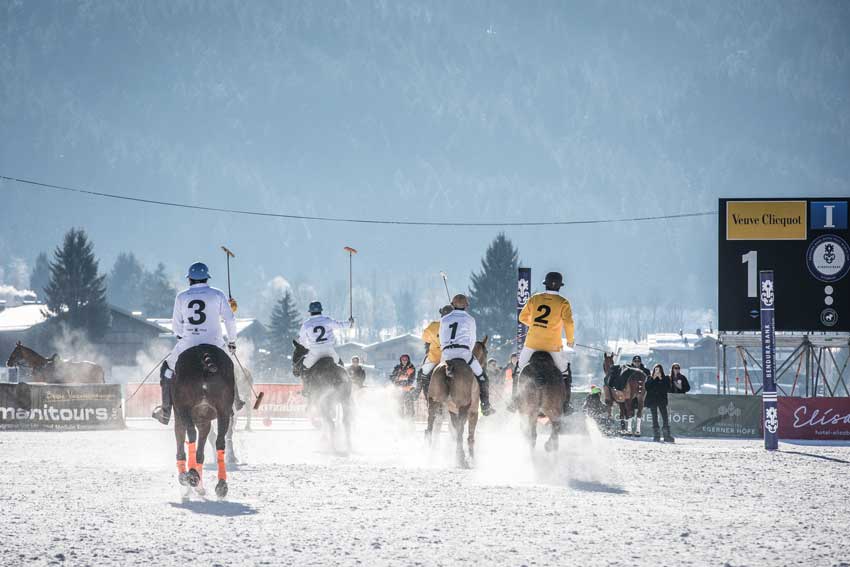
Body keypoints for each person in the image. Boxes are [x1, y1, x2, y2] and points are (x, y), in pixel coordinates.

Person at [153, 261, 239, 425]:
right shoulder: (217, 294)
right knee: (229, 367)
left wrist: (181, 337)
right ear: (207, 278)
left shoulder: (182, 296)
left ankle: (165, 412)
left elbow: (176, 326)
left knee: (166, 370)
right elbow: (230, 319)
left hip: (189, 344)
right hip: (215, 343)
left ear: (190, 279)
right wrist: (232, 341)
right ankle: (233, 403)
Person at [512, 271, 575, 411]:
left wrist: (535, 323)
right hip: (552, 346)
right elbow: (569, 323)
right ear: (560, 286)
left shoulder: (535, 299)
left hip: (532, 344)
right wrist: (570, 341)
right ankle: (566, 404)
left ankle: (515, 400)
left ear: (545, 284)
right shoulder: (563, 302)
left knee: (518, 369)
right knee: (565, 372)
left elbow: (522, 317)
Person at [439, 294, 494, 416]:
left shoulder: (444, 319)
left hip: (447, 353)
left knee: (437, 373)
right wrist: (466, 350)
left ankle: (436, 402)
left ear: (452, 305)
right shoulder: (470, 319)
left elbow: (442, 339)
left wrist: (446, 351)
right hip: (464, 353)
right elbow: (472, 340)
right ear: (466, 306)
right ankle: (485, 405)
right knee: (482, 376)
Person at [296, 301, 352, 396]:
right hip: (329, 351)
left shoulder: (306, 324)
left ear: (310, 311)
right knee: (341, 366)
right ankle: (348, 386)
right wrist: (350, 323)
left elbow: (302, 340)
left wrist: (307, 347)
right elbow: (340, 325)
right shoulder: (327, 320)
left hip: (314, 352)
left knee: (303, 368)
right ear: (321, 310)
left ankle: (306, 389)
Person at [418, 305, 453, 399]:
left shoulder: (434, 326)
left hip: (435, 358)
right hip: (452, 357)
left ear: (441, 314)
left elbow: (424, 338)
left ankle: (418, 393)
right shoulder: (457, 325)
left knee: (423, 374)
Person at [645, 363, 674, 443]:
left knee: (665, 417)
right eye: (656, 369)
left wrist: (661, 378)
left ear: (661, 370)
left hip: (662, 400)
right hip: (653, 400)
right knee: (654, 417)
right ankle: (656, 435)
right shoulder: (650, 378)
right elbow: (647, 387)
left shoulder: (666, 378)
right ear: (654, 370)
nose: (657, 371)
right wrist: (653, 378)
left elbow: (668, 388)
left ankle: (666, 435)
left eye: (659, 369)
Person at [390, 354, 417, 419]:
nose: (404, 361)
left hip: (408, 391)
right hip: (399, 391)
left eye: (406, 359)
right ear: (401, 360)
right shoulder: (397, 368)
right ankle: (400, 420)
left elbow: (411, 380)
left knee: (409, 408)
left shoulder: (411, 368)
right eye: (403, 359)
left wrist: (403, 380)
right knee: (399, 407)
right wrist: (399, 378)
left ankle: (410, 420)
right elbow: (392, 378)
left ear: (408, 360)